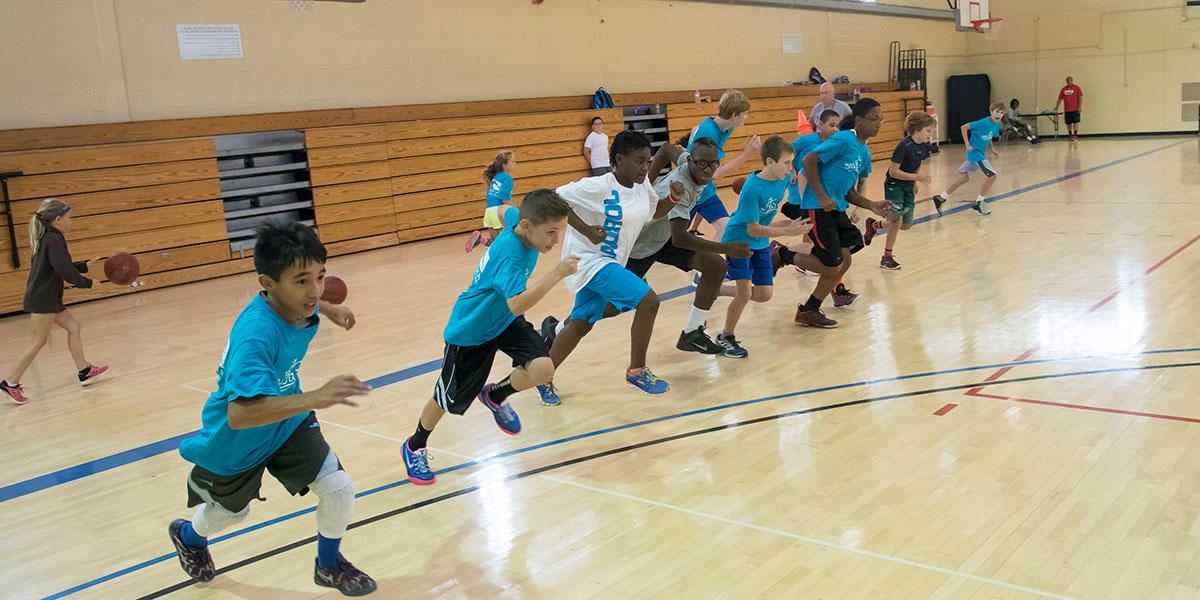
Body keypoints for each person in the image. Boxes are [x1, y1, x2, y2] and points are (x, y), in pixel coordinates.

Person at [168, 221, 376, 595]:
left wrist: (327, 308)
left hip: (287, 420)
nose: (314, 290)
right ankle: (188, 535)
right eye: (302, 281)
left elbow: (307, 295)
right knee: (233, 512)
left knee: (339, 488)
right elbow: (241, 414)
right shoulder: (256, 336)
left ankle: (328, 566)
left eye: (320, 276)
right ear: (268, 283)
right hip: (237, 438)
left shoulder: (292, 302)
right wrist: (316, 396)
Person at [401, 191, 576, 484]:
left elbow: (501, 209)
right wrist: (556, 274)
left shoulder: (518, 223)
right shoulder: (511, 257)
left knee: (543, 369)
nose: (556, 240)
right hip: (471, 330)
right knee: (446, 399)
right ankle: (414, 445)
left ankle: (495, 395)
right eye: (551, 232)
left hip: (503, 321)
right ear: (527, 227)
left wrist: (486, 231)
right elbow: (517, 303)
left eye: (560, 232)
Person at [536, 131, 679, 405]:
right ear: (618, 159)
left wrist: (671, 199)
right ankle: (637, 371)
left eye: (648, 162)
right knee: (648, 301)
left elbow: (653, 211)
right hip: (588, 260)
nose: (644, 168)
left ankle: (539, 375)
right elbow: (554, 198)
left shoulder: (641, 187)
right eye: (638, 161)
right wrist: (588, 231)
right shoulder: (599, 185)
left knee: (580, 324)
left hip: (610, 263)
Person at [626, 138, 751, 356]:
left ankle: (692, 333)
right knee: (612, 305)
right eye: (702, 163)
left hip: (662, 237)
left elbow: (665, 149)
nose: (708, 169)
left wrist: (646, 183)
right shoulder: (682, 187)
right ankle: (559, 328)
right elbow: (681, 238)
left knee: (716, 267)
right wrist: (727, 248)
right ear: (692, 161)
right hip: (641, 243)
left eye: (713, 164)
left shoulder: (688, 162)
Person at [775, 98, 890, 329]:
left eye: (881, 119)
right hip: (818, 208)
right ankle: (781, 255)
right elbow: (809, 162)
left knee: (844, 259)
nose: (878, 124)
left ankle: (809, 309)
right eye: (874, 119)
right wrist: (821, 195)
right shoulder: (843, 139)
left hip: (837, 209)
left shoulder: (863, 151)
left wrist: (871, 204)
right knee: (831, 263)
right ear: (859, 120)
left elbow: (847, 190)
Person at [1, 198, 108, 405]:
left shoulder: (49, 237)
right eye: (70, 218)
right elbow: (64, 271)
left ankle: (84, 371)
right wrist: (87, 283)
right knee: (38, 341)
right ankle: (10, 382)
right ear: (58, 219)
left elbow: (59, 265)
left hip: (48, 296)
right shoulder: (53, 239)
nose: (72, 222)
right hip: (44, 298)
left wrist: (83, 265)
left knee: (74, 327)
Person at [716, 136, 810, 358]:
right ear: (769, 162)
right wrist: (787, 231)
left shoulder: (784, 177)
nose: (790, 167)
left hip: (759, 243)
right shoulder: (752, 188)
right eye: (786, 163)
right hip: (737, 243)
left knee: (764, 294)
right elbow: (753, 229)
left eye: (791, 162)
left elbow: (797, 174)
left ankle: (715, 288)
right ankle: (725, 337)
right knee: (744, 293)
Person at [863, 111, 936, 271]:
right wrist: (916, 176)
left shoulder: (924, 147)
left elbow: (917, 163)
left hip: (908, 185)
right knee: (896, 220)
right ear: (917, 129)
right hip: (894, 185)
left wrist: (914, 180)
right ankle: (886, 257)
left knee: (906, 224)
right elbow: (893, 171)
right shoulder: (903, 146)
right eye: (928, 130)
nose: (930, 134)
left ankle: (874, 225)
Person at [683, 89, 758, 243]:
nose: (746, 116)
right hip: (688, 192)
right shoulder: (709, 133)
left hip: (704, 191)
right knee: (666, 242)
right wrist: (747, 154)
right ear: (735, 115)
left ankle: (704, 266)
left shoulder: (722, 125)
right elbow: (715, 174)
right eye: (744, 113)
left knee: (726, 229)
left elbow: (693, 131)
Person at [931, 102, 1005, 216]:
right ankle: (979, 202)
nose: (999, 114)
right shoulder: (982, 122)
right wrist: (967, 144)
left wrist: (992, 149)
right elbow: (964, 127)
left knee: (964, 178)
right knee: (993, 176)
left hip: (979, 153)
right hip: (975, 153)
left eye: (1002, 113)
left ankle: (941, 198)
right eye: (997, 112)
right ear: (991, 112)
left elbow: (988, 136)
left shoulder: (996, 123)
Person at [466, 150, 517, 252]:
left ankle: (482, 239)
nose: (515, 164)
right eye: (512, 161)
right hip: (498, 211)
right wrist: (516, 209)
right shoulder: (507, 179)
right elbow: (504, 199)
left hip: (489, 211)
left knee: (496, 242)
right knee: (505, 243)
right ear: (505, 164)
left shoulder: (496, 176)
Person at [1054, 76, 1083, 140]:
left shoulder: (1077, 88)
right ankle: (1070, 134)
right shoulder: (1064, 89)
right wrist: (1056, 106)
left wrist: (1079, 107)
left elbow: (1080, 98)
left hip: (1075, 108)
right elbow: (1060, 98)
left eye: (1070, 80)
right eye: (1067, 81)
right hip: (1067, 109)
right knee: (1068, 123)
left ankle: (1075, 135)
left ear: (1072, 81)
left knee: (1076, 122)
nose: (1068, 82)